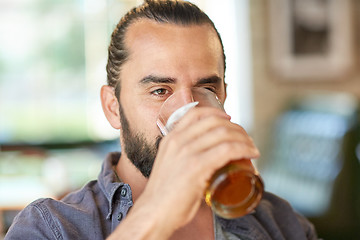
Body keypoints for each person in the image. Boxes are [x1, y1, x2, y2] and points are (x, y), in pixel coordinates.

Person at [5, 0, 318, 239]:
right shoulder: (50, 226)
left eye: (207, 87)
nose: (188, 108)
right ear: (113, 107)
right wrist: (156, 211)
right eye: (159, 90)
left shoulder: (282, 222)